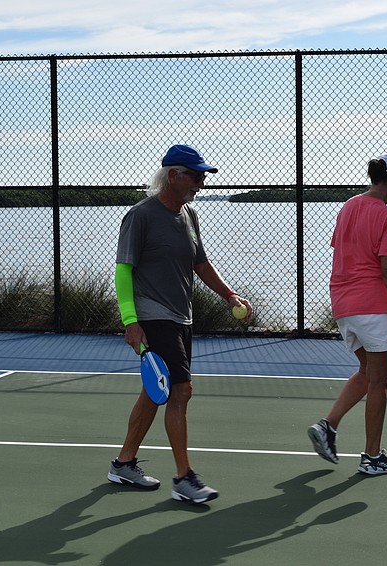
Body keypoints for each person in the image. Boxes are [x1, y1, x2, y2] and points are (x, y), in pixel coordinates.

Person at [108, 144, 253, 503]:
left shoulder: (189, 214)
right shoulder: (140, 216)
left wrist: (229, 296)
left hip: (180, 316)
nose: (201, 183)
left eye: (202, 176)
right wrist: (131, 322)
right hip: (152, 315)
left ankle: (123, 463)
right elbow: (123, 271)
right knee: (180, 390)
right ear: (172, 175)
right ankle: (184, 478)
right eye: (195, 175)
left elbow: (200, 263)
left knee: (154, 393)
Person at [308, 153, 387, 475]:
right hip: (374, 308)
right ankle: (372, 457)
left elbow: (344, 251)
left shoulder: (349, 206)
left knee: (367, 372)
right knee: (379, 381)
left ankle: (328, 425)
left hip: (343, 306)